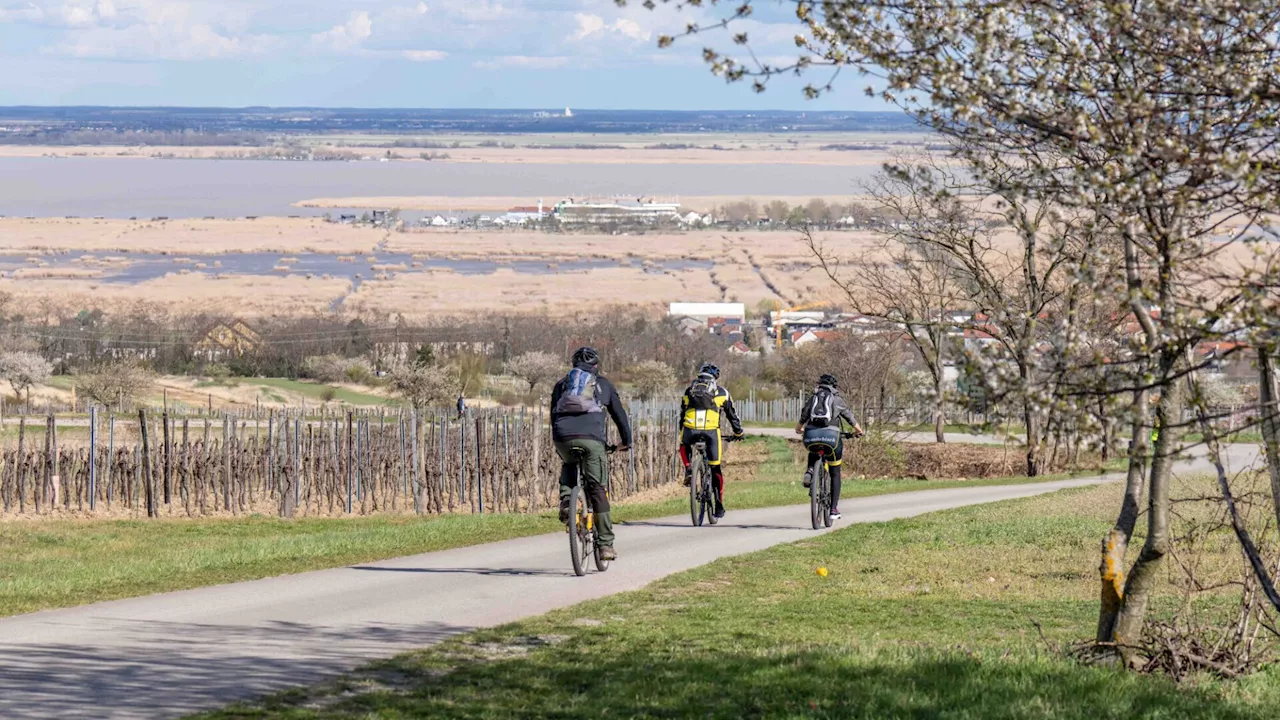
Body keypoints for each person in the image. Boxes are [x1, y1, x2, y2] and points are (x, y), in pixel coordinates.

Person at [550, 346, 632, 561]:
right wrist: (627, 441)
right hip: (592, 439)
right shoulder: (603, 384)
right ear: (596, 365)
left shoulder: (562, 384)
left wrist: (559, 439)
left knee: (569, 463)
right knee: (597, 489)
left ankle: (567, 501)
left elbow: (552, 414)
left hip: (563, 436)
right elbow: (620, 415)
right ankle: (605, 544)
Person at [678, 363, 744, 518]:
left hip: (689, 429)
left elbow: (682, 413)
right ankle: (719, 505)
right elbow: (732, 415)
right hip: (711, 432)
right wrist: (738, 433)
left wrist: (683, 429)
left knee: (683, 444)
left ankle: (688, 468)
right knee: (715, 468)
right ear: (716, 377)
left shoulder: (689, 391)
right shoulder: (721, 392)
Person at [794, 373, 864, 520]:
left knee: (813, 449)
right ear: (834, 386)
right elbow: (849, 417)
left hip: (811, 436)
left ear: (819, 384)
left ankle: (810, 470)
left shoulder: (813, 398)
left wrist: (799, 429)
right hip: (831, 439)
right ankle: (833, 510)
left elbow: (803, 416)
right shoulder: (837, 399)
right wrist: (858, 431)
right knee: (835, 472)